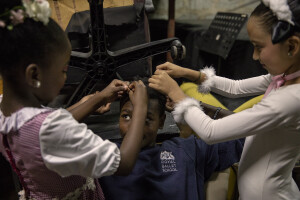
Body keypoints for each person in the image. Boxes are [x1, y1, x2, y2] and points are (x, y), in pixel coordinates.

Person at [149, 0, 300, 199]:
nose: (254, 56)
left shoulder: (289, 98)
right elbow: (235, 88)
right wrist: (187, 73)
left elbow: (211, 132)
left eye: (258, 47)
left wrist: (177, 94)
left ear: (292, 45)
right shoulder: (284, 77)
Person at [0, 0, 149, 199]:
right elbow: (123, 163)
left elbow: (43, 126)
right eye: (63, 70)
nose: (65, 77)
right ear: (34, 75)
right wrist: (140, 108)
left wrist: (96, 99)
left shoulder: (5, 111)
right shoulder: (51, 130)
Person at [99, 78, 244, 200]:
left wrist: (189, 106)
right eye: (126, 116)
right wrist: (94, 101)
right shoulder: (103, 155)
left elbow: (249, 131)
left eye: (146, 118)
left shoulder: (186, 150)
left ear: (161, 122)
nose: (134, 126)